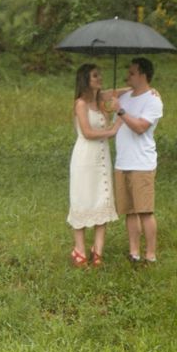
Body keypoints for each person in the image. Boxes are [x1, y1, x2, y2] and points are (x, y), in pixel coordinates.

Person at [67, 63, 120, 267]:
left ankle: (98, 251)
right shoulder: (80, 103)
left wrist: (139, 90)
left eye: (100, 74)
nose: (100, 78)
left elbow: (117, 92)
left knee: (101, 198)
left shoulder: (99, 102)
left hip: (102, 157)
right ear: (85, 80)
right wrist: (113, 130)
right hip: (84, 158)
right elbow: (88, 133)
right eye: (95, 76)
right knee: (82, 199)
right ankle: (79, 249)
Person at [112, 57, 163, 264]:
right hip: (122, 162)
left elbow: (140, 127)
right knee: (130, 211)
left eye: (132, 73)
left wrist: (121, 111)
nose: (128, 75)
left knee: (145, 211)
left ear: (143, 75)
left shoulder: (153, 100)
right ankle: (134, 252)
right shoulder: (125, 97)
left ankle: (150, 254)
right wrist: (121, 95)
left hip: (142, 163)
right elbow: (103, 97)